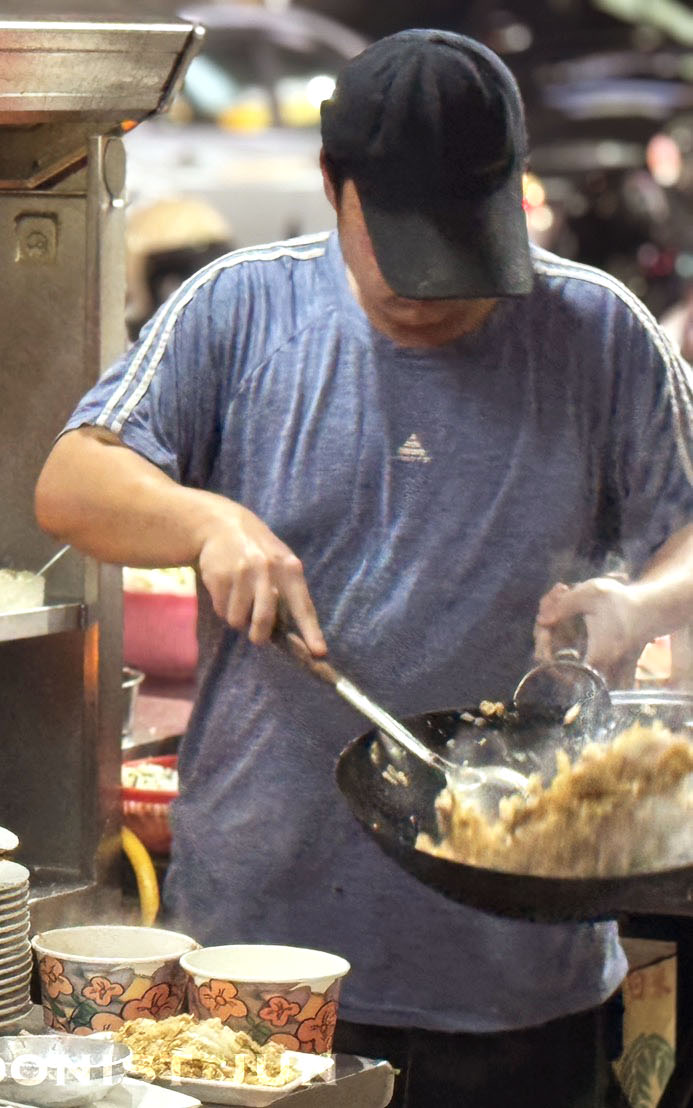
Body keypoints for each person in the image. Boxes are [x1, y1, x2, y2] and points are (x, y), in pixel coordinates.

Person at [35, 29, 693, 1108]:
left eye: (460, 245)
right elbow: (70, 481)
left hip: (520, 986)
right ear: (333, 186)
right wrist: (206, 521)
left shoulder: (600, 332)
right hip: (257, 967)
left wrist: (636, 598)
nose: (430, 291)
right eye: (399, 242)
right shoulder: (239, 309)